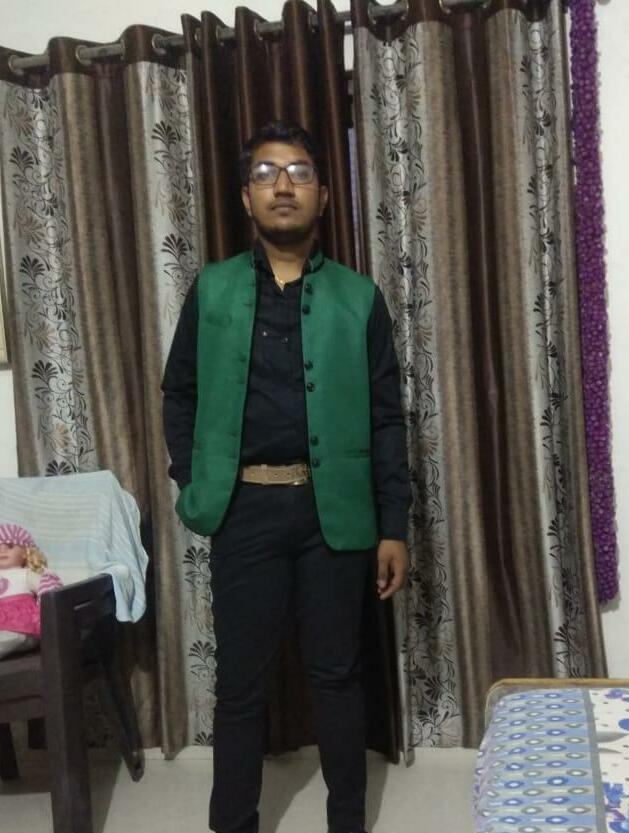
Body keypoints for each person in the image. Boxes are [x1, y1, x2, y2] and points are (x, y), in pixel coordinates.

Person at [162, 120, 411, 833]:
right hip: (243, 510)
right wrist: (192, 477)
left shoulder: (358, 298)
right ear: (246, 196)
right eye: (267, 173)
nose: (283, 186)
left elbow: (386, 417)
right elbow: (179, 392)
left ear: (323, 195)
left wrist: (393, 525)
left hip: (335, 513)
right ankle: (232, 823)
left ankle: (346, 822)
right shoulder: (212, 290)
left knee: (337, 676)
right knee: (240, 685)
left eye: (299, 173)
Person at [0, 522, 63, 658]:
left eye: (10, 546)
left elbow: (48, 589)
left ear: (25, 552)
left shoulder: (25, 574)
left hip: (21, 625)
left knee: (14, 637)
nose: (2, 551)